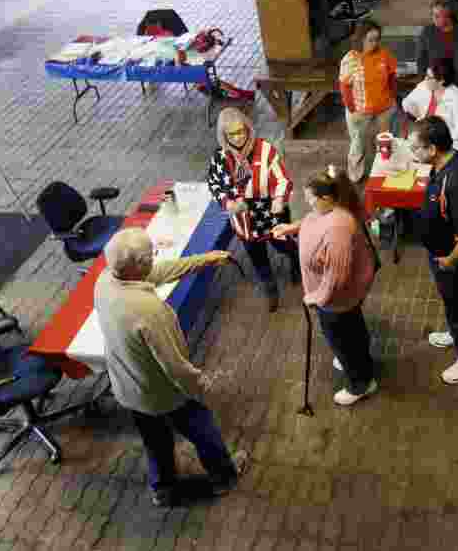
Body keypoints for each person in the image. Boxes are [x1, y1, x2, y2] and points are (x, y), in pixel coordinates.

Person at [95, 228, 247, 507]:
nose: (155, 259)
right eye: (151, 255)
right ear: (141, 265)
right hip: (162, 393)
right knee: (203, 428)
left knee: (155, 441)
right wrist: (200, 385)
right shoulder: (149, 311)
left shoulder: (106, 280)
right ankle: (224, 476)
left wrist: (205, 259)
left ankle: (163, 489)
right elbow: (175, 366)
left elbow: (160, 271)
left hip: (128, 388)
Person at [273, 166, 378, 405]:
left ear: (327, 198)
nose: (309, 205)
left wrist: (318, 297)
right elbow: (313, 219)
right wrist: (292, 228)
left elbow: (337, 277)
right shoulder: (329, 210)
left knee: (341, 339)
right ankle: (356, 359)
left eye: (311, 200)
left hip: (336, 301)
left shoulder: (338, 228)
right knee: (352, 331)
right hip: (336, 299)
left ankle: (360, 384)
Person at [409, 116, 458, 383]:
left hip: (454, 261)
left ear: (432, 149)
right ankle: (456, 334)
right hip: (442, 254)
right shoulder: (446, 162)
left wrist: (448, 262)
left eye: (415, 148)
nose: (412, 153)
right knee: (453, 304)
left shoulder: (455, 181)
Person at [207, 107, 298, 313]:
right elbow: (214, 184)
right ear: (224, 135)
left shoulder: (265, 150)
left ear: (248, 128)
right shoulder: (220, 158)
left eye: (242, 131)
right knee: (257, 257)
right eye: (232, 134)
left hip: (271, 213)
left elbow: (282, 179)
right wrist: (226, 203)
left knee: (284, 245)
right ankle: (270, 289)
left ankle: (296, 263)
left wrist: (279, 199)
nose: (239, 138)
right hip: (244, 218)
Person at [339, 20, 398, 183]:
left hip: (384, 108)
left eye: (377, 39)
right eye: (371, 39)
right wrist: (352, 109)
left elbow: (392, 75)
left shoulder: (384, 54)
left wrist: (392, 97)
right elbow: (344, 86)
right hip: (360, 111)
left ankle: (386, 171)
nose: (375, 43)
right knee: (358, 145)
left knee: (386, 141)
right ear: (361, 39)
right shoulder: (350, 59)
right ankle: (355, 176)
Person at [401, 58, 458, 149]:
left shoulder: (457, 97)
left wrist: (443, 141)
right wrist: (412, 108)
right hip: (425, 138)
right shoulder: (423, 86)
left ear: (441, 81)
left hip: (448, 143)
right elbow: (406, 102)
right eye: (426, 75)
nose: (425, 79)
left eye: (429, 77)